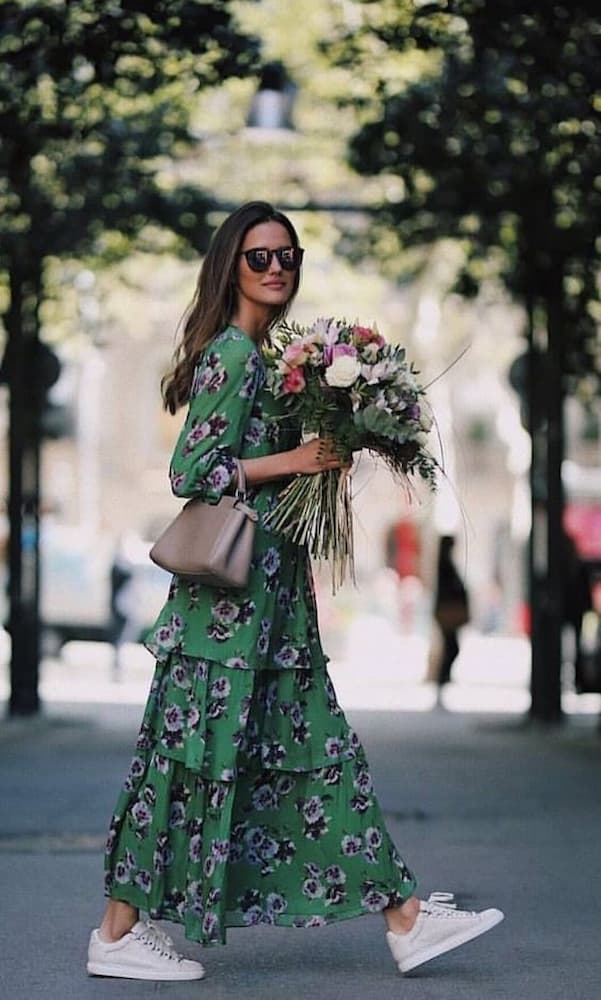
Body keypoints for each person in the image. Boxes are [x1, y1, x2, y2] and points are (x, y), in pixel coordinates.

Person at [87, 202, 503, 982]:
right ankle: (115, 935)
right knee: (191, 760)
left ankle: (403, 917)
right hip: (226, 612)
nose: (276, 268)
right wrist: (296, 460)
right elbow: (190, 473)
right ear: (230, 266)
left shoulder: (270, 358)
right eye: (258, 256)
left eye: (288, 255)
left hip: (272, 606)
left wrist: (334, 442)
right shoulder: (233, 357)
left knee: (309, 758)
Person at [432, 535, 470, 697]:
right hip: (447, 611)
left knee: (451, 646)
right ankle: (442, 677)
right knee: (452, 647)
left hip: (447, 611)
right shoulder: (445, 566)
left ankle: (443, 677)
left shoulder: (445, 565)